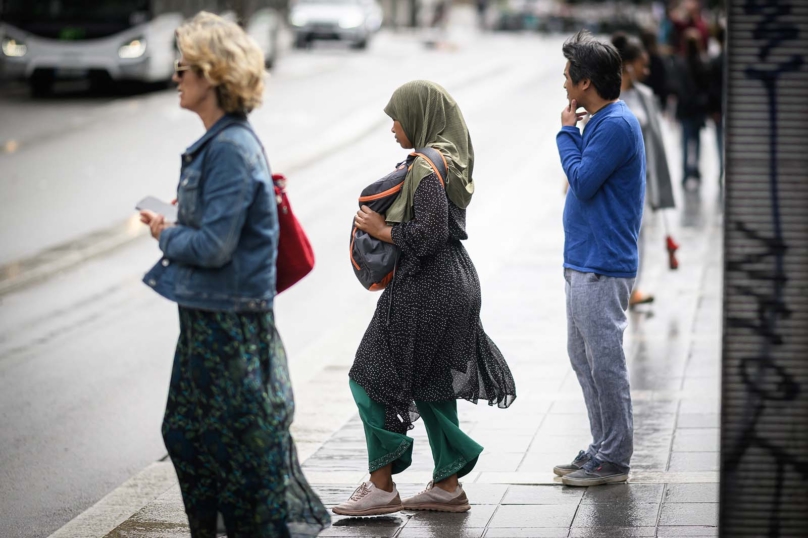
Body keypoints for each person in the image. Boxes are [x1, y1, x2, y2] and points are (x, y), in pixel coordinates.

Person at [139, 12, 329, 537]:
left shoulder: (228, 148)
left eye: (185, 69)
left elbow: (214, 246)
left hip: (228, 327)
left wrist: (164, 233)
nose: (176, 77)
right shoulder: (221, 144)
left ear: (212, 76)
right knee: (197, 439)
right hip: (211, 319)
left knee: (233, 452)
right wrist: (178, 219)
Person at [333, 80, 516, 515]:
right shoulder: (449, 160)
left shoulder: (423, 168)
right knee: (433, 384)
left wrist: (381, 231)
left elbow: (429, 234)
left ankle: (381, 484)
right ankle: (448, 486)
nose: (394, 127)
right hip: (455, 282)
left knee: (368, 375)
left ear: (418, 116)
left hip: (427, 287)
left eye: (397, 117)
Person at [554, 30, 645, 487]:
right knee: (582, 356)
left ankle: (615, 456)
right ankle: (602, 445)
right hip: (583, 259)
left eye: (568, 78)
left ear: (586, 82)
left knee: (604, 359)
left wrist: (567, 133)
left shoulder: (615, 125)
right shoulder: (603, 121)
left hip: (602, 263)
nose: (565, 86)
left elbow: (584, 181)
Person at [611, 33, 676, 308]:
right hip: (612, 181)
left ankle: (632, 288)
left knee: (639, 234)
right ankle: (613, 286)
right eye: (643, 64)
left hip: (641, 181)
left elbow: (657, 144)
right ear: (628, 65)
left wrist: (661, 185)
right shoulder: (606, 96)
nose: (647, 71)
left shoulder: (645, 95)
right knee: (615, 235)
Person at [674, 28, 710, 188]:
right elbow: (706, 87)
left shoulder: (680, 64)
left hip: (685, 109)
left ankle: (685, 172)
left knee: (685, 141)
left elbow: (677, 87)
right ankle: (696, 169)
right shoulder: (703, 63)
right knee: (697, 141)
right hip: (698, 109)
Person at [708, 24, 725, 188]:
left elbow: (712, 87)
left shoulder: (716, 60)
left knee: (720, 140)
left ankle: (722, 169)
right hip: (725, 108)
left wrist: (713, 109)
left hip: (719, 108)